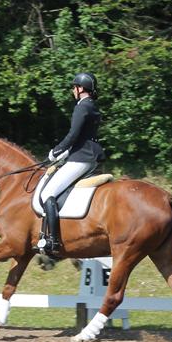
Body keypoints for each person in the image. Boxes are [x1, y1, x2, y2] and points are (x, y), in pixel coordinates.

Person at [36, 71, 105, 257]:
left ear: (80, 88)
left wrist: (56, 152)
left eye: (74, 87)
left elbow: (73, 135)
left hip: (82, 158)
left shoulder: (82, 106)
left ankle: (53, 240)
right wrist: (66, 152)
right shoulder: (91, 105)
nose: (73, 91)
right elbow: (82, 136)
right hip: (87, 155)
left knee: (48, 193)